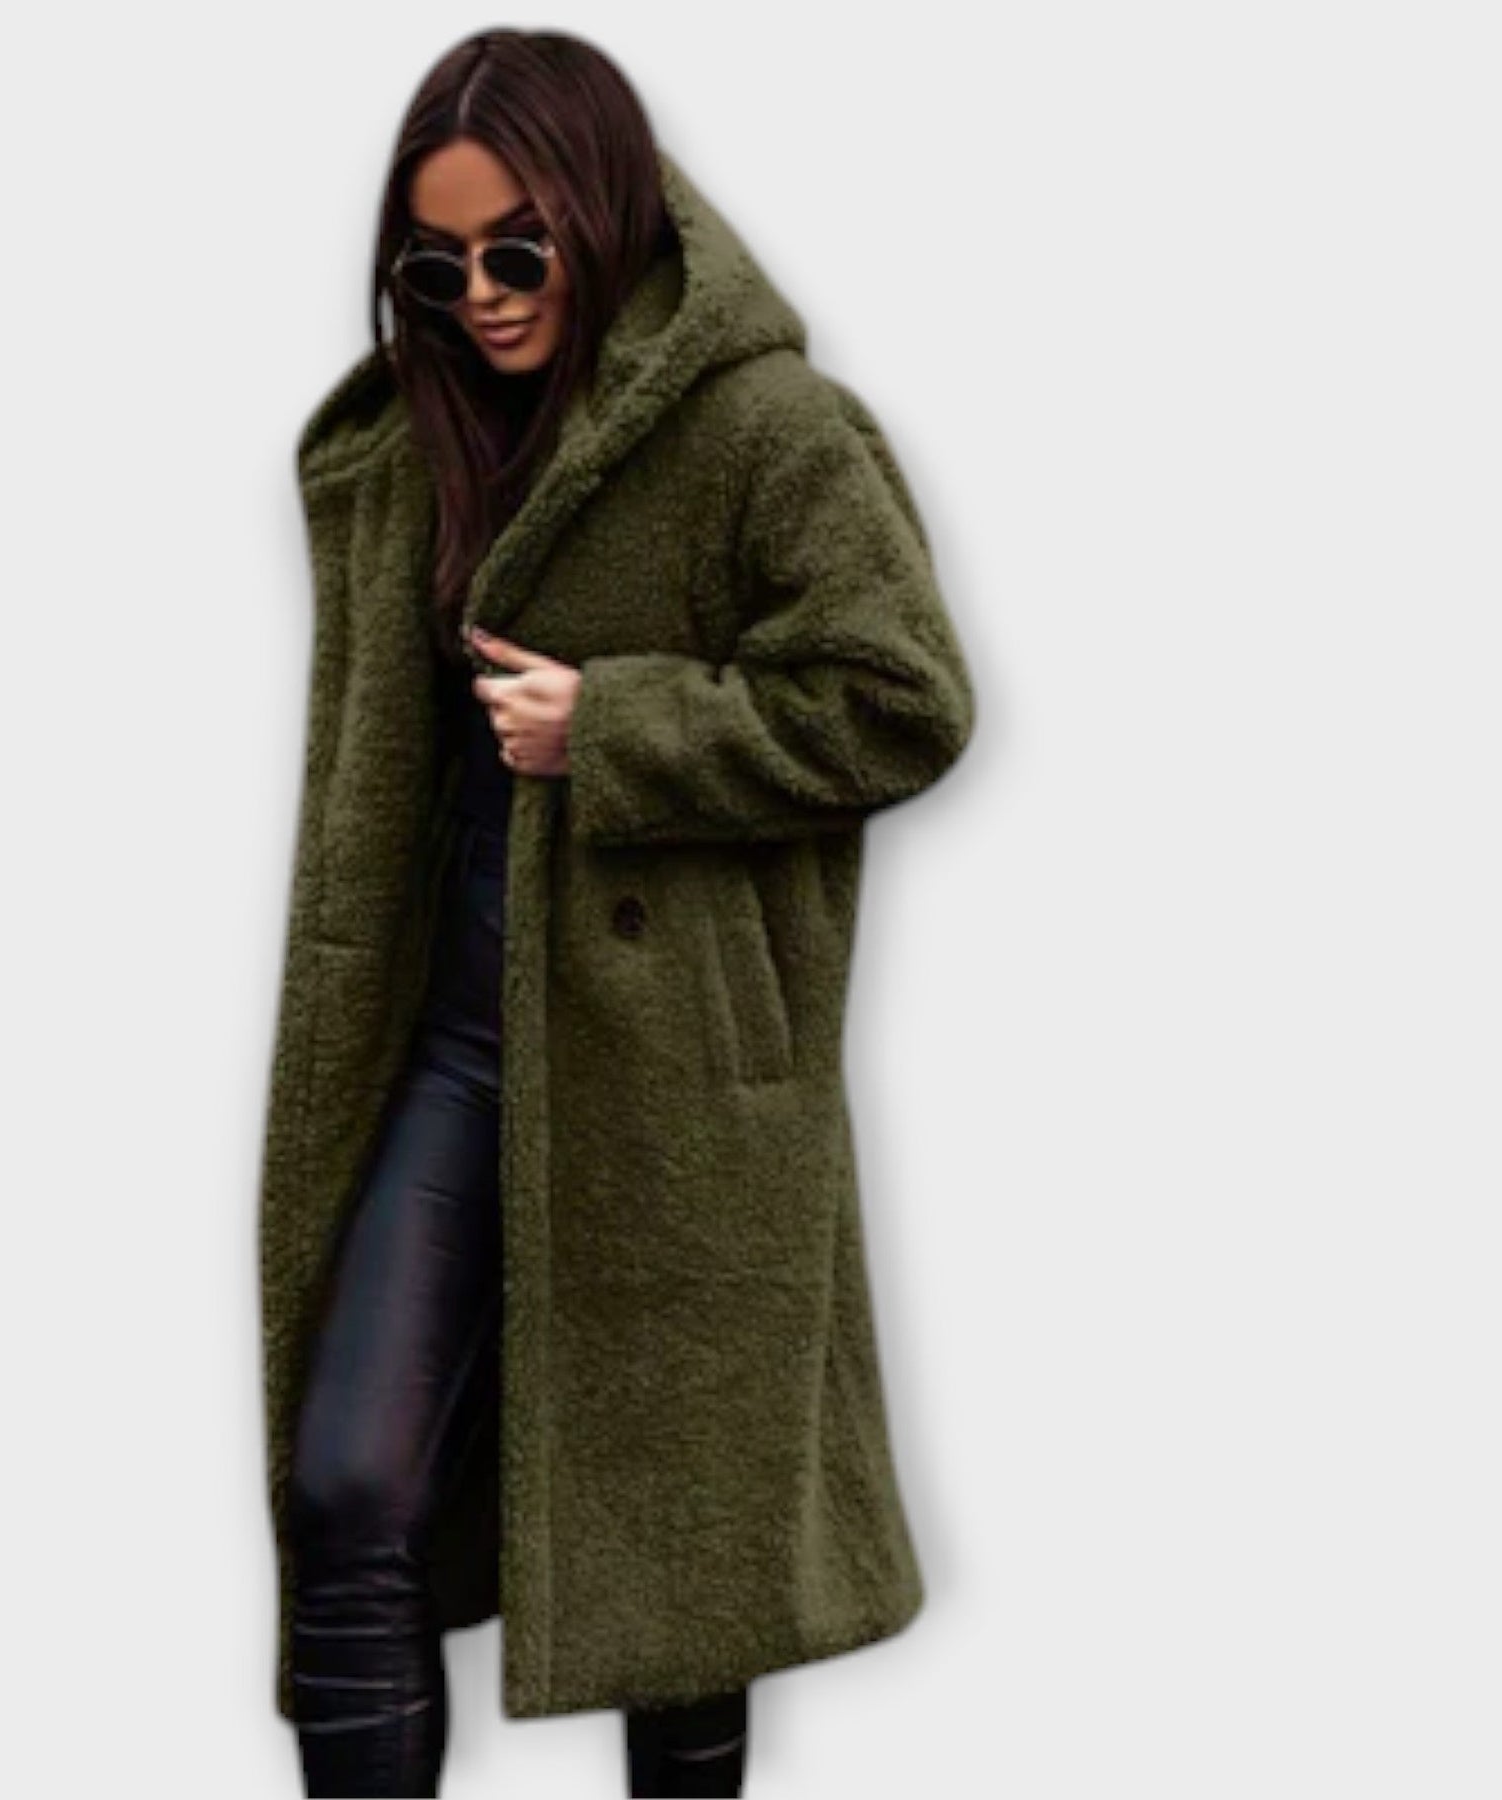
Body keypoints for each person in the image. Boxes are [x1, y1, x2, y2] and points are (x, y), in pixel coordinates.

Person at [260, 27, 976, 1799]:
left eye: (519, 250)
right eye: (437, 267)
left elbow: (903, 700)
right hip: (452, 1042)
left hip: (674, 1072)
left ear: (604, 210)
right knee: (348, 1487)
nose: (484, 296)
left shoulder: (765, 429)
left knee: (682, 1570)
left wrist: (622, 726)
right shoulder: (411, 442)